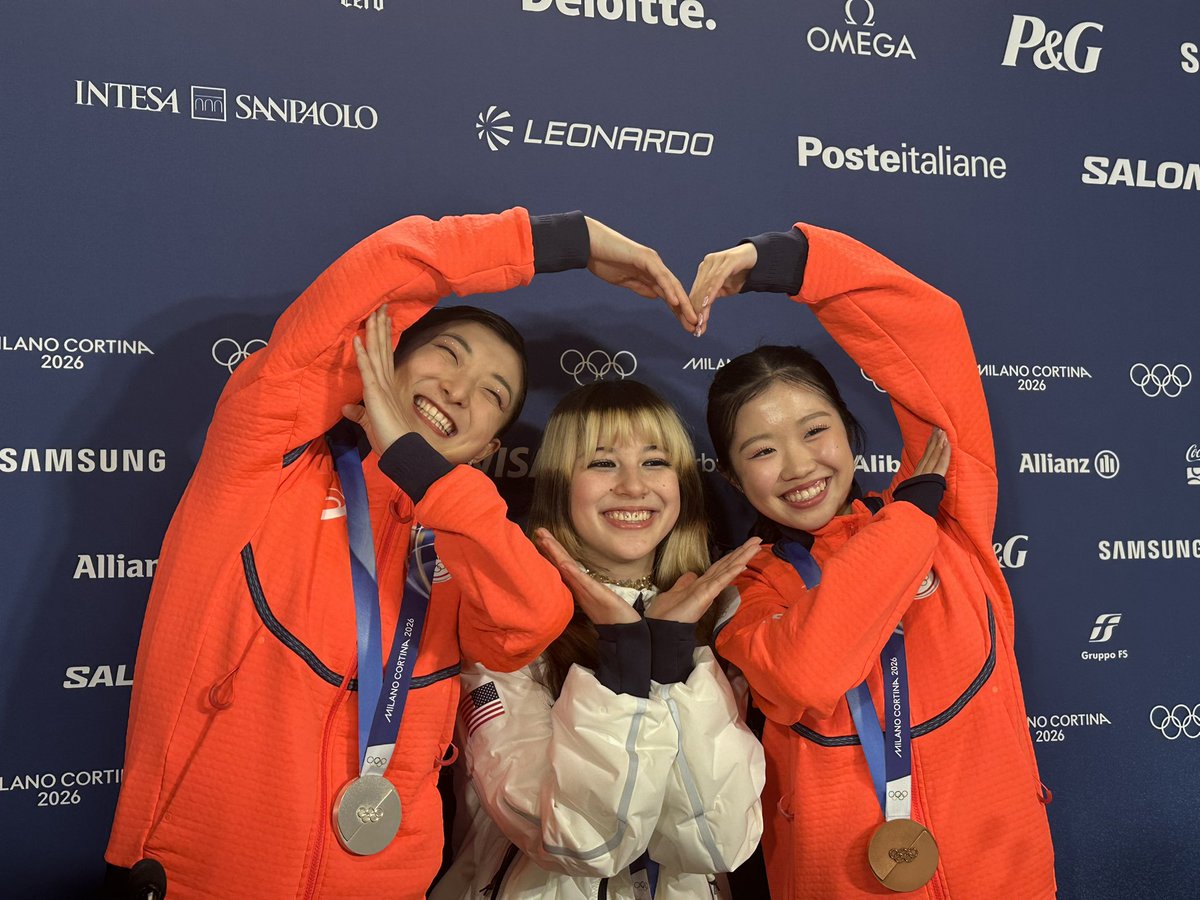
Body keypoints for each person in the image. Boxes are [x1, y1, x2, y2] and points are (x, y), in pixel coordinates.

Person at [103, 208, 701, 899]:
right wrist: (569, 241)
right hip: (202, 875)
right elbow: (383, 269)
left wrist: (423, 472)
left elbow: (532, 619)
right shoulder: (266, 456)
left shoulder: (460, 542)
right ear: (382, 351)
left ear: (483, 452)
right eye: (448, 357)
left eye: (492, 395)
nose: (458, 390)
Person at [693, 222, 1056, 898]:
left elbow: (933, 331)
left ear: (850, 433)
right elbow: (809, 673)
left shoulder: (951, 520)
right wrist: (907, 520)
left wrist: (789, 262)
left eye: (814, 430)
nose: (799, 466)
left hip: (1007, 875)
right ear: (735, 478)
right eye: (762, 450)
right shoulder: (743, 590)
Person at [431, 379, 766, 899]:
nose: (633, 487)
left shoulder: (723, 612)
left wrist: (672, 651)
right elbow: (579, 842)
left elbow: (717, 841)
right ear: (560, 483)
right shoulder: (504, 617)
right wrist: (622, 656)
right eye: (603, 463)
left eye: (655, 462)